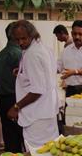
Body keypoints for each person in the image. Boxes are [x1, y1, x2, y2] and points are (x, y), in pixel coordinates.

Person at [7, 20, 59, 148]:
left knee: (37, 155)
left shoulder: (32, 54)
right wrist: (21, 73)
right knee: (49, 151)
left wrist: (16, 107)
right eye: (17, 39)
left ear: (32, 35)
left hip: (36, 115)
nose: (20, 43)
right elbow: (44, 75)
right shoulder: (43, 48)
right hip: (47, 111)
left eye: (24, 38)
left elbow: (37, 90)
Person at [0, 23, 24, 153]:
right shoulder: (17, 54)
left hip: (2, 99)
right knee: (20, 136)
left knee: (9, 137)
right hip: (15, 100)